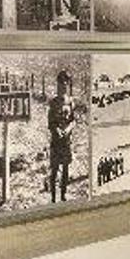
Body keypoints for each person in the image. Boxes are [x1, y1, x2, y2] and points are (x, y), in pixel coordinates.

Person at [47, 70, 75, 203]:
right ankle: (53, 198)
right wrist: (57, 130)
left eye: (65, 84)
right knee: (54, 170)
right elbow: (50, 123)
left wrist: (69, 128)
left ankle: (63, 195)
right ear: (57, 85)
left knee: (65, 169)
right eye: (61, 84)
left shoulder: (70, 102)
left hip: (66, 141)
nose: (63, 86)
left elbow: (73, 120)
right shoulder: (53, 103)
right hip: (56, 141)